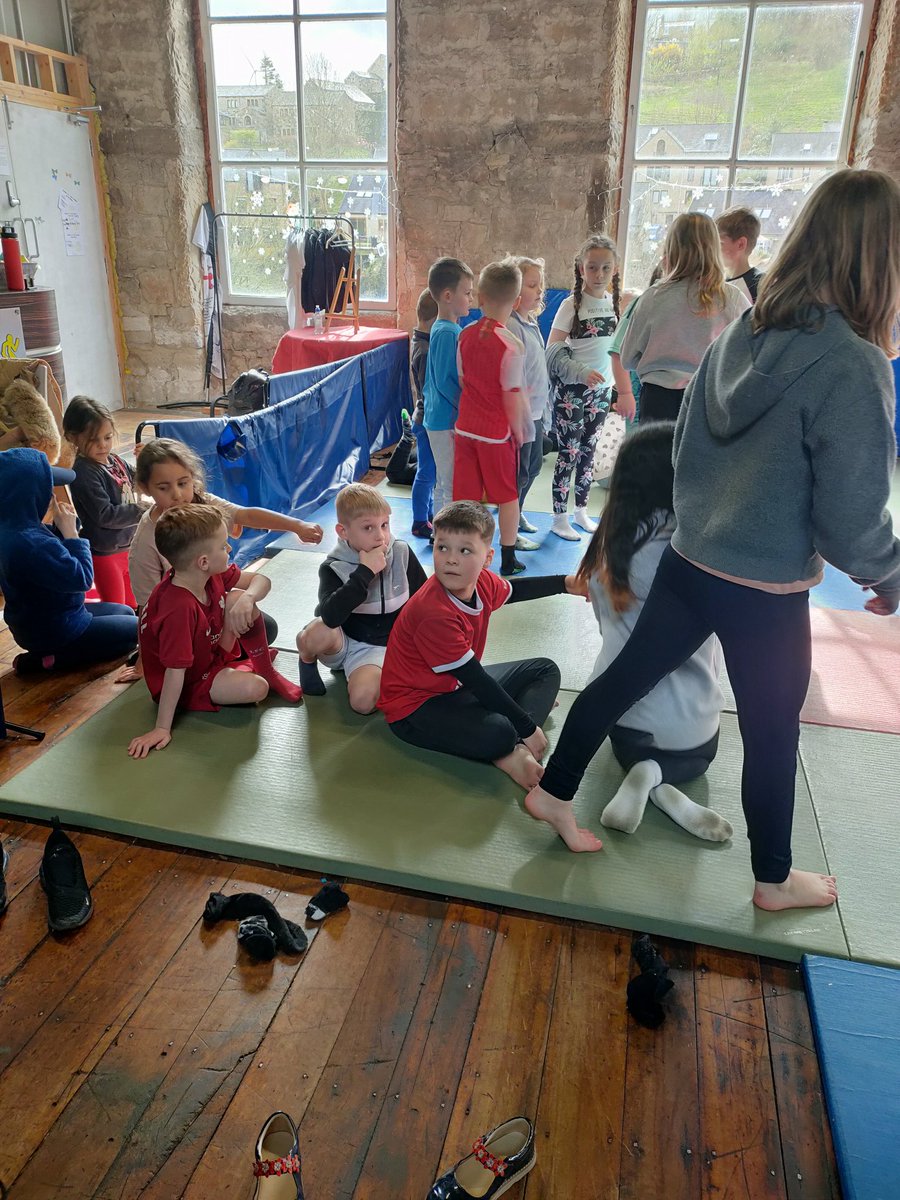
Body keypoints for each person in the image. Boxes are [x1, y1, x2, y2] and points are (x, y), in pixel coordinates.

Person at [525, 168, 900, 914]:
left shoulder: (745, 329)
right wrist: (887, 574)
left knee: (625, 676)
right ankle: (772, 877)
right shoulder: (850, 362)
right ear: (878, 259)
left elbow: (684, 444)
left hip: (698, 558)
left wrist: (697, 523)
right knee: (770, 731)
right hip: (762, 583)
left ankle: (554, 791)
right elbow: (853, 513)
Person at [579, 422, 732, 842]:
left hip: (617, 722)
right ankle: (659, 779)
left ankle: (646, 775)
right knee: (703, 753)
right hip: (687, 734)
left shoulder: (609, 544)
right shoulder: (689, 552)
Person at [379, 500, 588, 789]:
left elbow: (515, 591)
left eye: (465, 550)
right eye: (442, 547)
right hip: (414, 709)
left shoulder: (481, 582)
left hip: (455, 687)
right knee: (502, 732)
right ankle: (510, 752)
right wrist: (527, 727)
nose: (451, 559)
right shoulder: (432, 612)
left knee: (545, 670)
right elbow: (476, 679)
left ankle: (516, 750)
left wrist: (565, 583)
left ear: (487, 558)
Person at [125, 437, 321, 680]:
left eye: (183, 483)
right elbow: (146, 607)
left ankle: (220, 659)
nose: (177, 495)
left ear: (192, 479)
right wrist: (144, 663)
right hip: (181, 624)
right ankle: (204, 664)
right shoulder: (146, 541)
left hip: (212, 611)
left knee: (264, 627)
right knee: (191, 660)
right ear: (146, 489)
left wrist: (297, 526)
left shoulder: (201, 502)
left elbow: (245, 515)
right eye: (163, 488)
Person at [128, 505, 302, 759]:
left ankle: (264, 668)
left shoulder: (207, 574)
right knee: (257, 689)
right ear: (203, 561)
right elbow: (175, 673)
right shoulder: (177, 608)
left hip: (209, 654)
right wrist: (162, 728)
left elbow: (262, 581)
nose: (229, 549)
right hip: (190, 681)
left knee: (239, 599)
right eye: (223, 545)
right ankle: (246, 670)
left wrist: (248, 599)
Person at [0, 448, 137, 674]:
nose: (53, 496)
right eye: (48, 490)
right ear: (31, 495)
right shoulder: (31, 544)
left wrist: (67, 528)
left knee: (125, 612)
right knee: (133, 632)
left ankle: (49, 653)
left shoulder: (15, 529)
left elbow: (52, 557)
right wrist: (72, 535)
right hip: (59, 630)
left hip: (48, 619)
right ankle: (48, 660)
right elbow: (81, 579)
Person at [297, 483, 427, 714]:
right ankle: (306, 660)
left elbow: (425, 602)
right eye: (368, 528)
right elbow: (329, 616)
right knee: (316, 631)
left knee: (363, 703)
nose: (380, 536)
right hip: (345, 643)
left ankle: (374, 673)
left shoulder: (401, 552)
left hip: (382, 647)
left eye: (384, 525)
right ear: (343, 532)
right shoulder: (333, 566)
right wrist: (364, 573)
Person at [619, 213, 750, 424]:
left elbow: (627, 358)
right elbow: (748, 356)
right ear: (714, 249)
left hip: (658, 400)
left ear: (671, 249)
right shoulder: (732, 297)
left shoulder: (653, 296)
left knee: (657, 457)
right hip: (708, 398)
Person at [452, 261, 531, 577]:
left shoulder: (464, 335)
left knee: (468, 501)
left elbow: (462, 379)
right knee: (508, 498)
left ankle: (463, 557)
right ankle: (508, 559)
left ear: (480, 297)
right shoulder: (512, 344)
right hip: (496, 434)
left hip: (466, 428)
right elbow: (512, 395)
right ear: (516, 303)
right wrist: (520, 430)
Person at [546, 234, 619, 541]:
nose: (598, 274)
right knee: (569, 453)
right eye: (592, 267)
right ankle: (559, 516)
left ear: (614, 269)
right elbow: (552, 349)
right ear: (580, 269)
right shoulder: (570, 305)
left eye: (605, 268)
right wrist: (580, 372)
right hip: (573, 393)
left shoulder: (613, 303)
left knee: (589, 454)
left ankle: (580, 511)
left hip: (601, 392)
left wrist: (615, 384)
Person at [63, 395, 147, 607]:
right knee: (117, 608)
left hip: (128, 547)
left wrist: (147, 461)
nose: (103, 445)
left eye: (107, 437)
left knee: (134, 606)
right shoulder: (84, 472)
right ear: (73, 437)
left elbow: (141, 480)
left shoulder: (115, 460)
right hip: (105, 554)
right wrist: (142, 509)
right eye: (94, 440)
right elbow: (105, 515)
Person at [383, 290, 439, 533]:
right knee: (427, 472)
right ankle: (419, 521)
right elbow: (430, 389)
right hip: (426, 418)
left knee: (431, 472)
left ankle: (426, 514)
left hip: (424, 416)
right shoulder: (424, 349)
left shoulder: (423, 341)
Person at [506, 255, 552, 551]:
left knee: (533, 467)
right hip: (522, 414)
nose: (539, 292)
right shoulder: (512, 324)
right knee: (520, 471)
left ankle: (518, 512)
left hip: (535, 411)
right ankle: (509, 527)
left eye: (539, 286)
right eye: (532, 286)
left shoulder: (529, 322)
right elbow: (514, 376)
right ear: (515, 292)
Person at [423, 257, 474, 519]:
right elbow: (445, 380)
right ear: (447, 295)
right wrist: (465, 407)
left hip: (442, 416)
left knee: (447, 481)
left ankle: (442, 530)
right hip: (444, 419)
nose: (471, 299)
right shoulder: (447, 332)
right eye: (466, 293)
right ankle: (445, 531)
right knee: (450, 482)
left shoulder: (448, 328)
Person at [716, 206, 764, 304]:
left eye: (720, 243)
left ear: (741, 244)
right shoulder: (716, 281)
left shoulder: (760, 285)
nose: (713, 248)